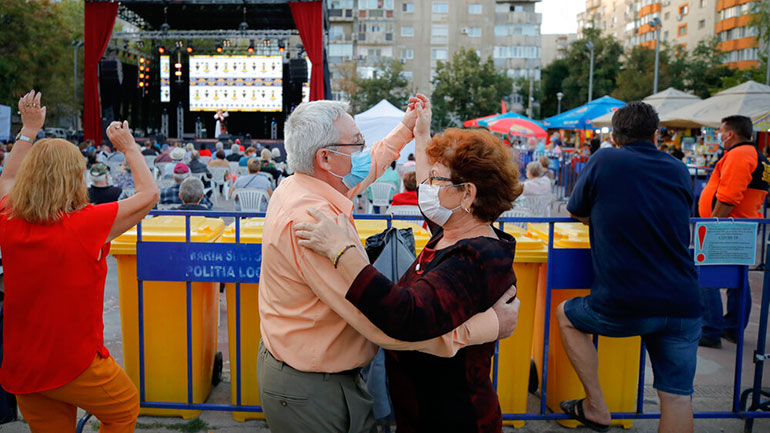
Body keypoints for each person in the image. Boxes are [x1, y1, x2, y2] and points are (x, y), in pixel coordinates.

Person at [256, 98, 519, 433]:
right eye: (356, 143)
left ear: (467, 195)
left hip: (448, 411)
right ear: (325, 158)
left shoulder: (307, 185)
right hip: (314, 387)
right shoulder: (314, 222)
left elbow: (374, 168)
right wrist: (489, 327)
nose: (425, 187)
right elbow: (386, 323)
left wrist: (410, 131)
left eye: (435, 179)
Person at [0, 90, 159, 431]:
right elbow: (149, 196)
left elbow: (8, 179)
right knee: (124, 409)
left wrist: (29, 130)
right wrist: (130, 148)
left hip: (22, 364)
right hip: (75, 363)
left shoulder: (8, 217)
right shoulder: (86, 225)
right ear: (75, 178)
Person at [558, 102, 700, 433]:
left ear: (616, 137)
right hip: (683, 301)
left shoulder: (605, 159)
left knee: (566, 315)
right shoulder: (678, 168)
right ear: (655, 134)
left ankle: (595, 406)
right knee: (678, 400)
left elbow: (576, 210)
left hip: (625, 302)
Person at [697, 115, 766, 348]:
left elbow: (729, 196)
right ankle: (732, 328)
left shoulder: (740, 154)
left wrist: (712, 224)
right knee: (738, 280)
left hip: (727, 226)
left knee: (706, 276)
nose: (718, 134)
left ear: (731, 134)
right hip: (742, 225)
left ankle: (710, 330)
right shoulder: (758, 156)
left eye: (720, 130)